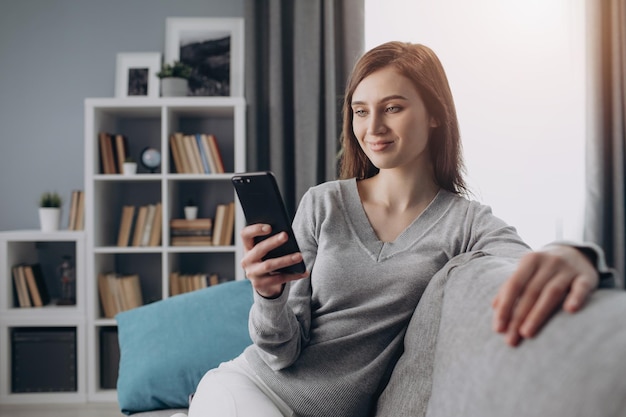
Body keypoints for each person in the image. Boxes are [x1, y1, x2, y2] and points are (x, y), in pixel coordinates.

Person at [184, 41, 612, 417]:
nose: (373, 128)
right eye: (360, 111)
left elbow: (524, 259)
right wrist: (268, 295)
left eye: (393, 107)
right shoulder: (324, 203)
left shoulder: (465, 222)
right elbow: (280, 353)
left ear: (435, 115)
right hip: (250, 388)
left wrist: (576, 254)